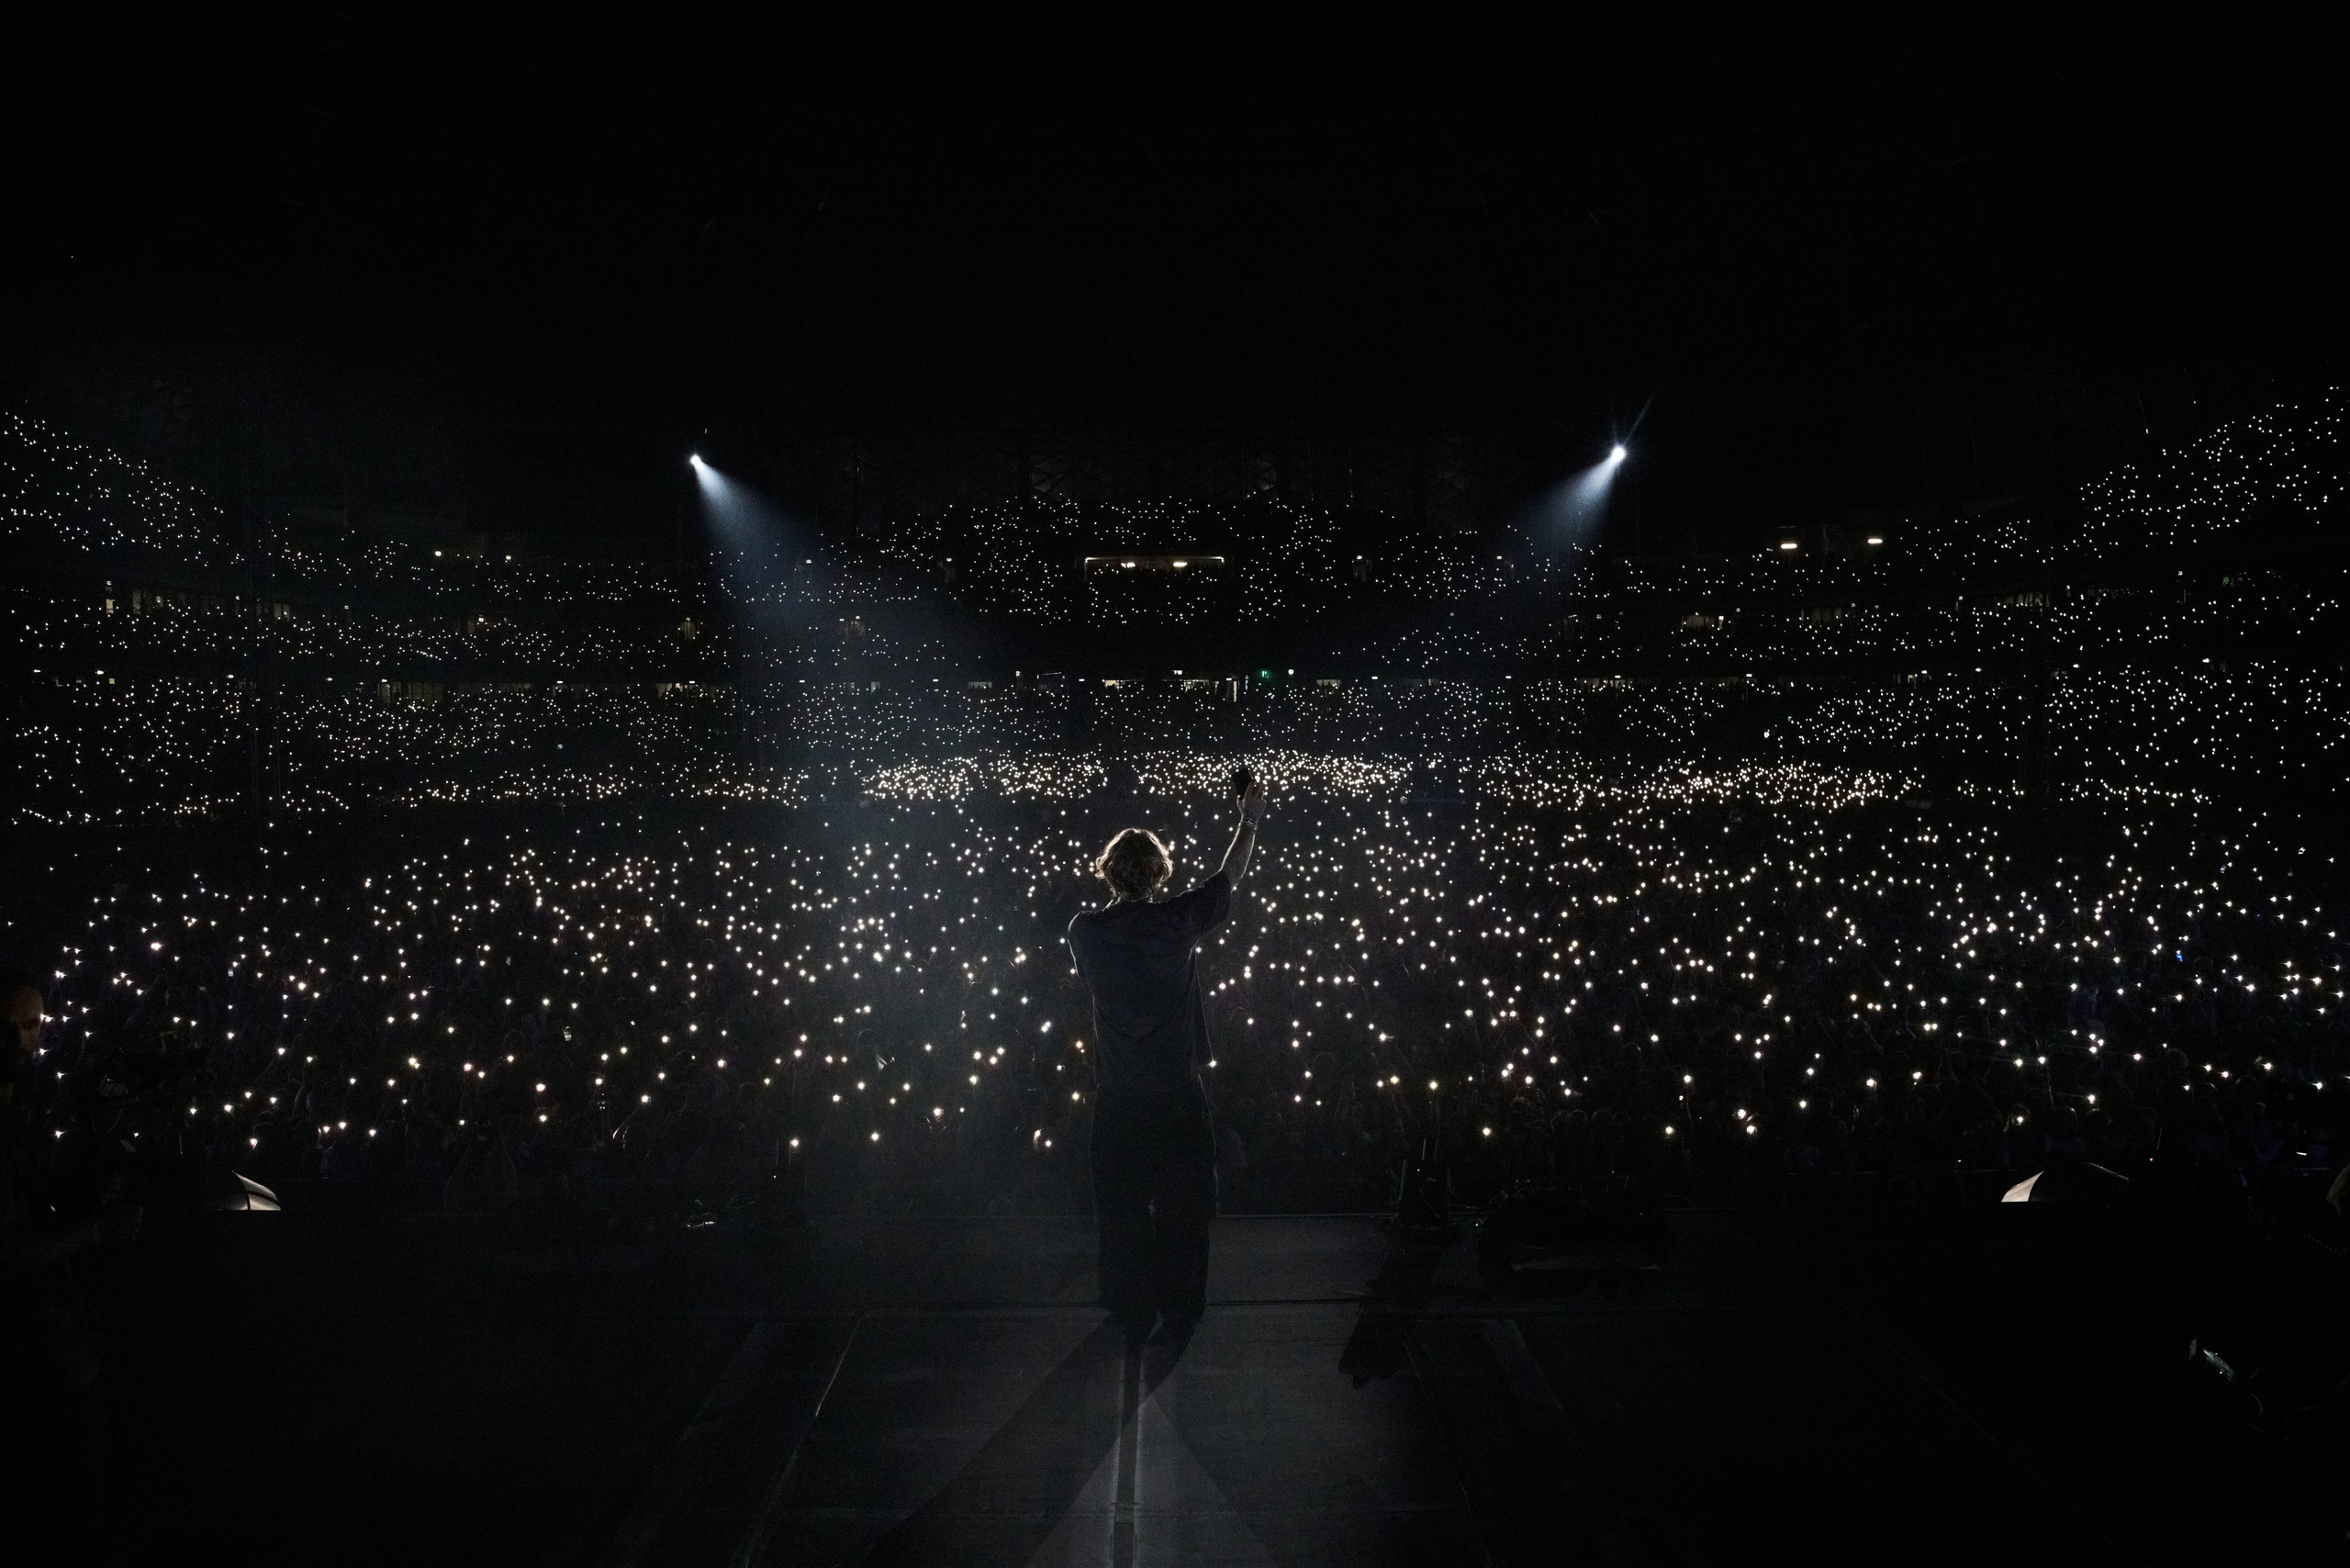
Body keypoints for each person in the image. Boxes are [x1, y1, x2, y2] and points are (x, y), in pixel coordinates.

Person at [1067, 776, 1266, 1349]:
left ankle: (1129, 1305)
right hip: (1176, 1092)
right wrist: (1248, 818)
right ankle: (1180, 1306)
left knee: (1123, 1210)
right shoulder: (1176, 923)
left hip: (1119, 1096)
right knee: (1184, 1209)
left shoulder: (1084, 932)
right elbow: (1230, 876)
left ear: (1107, 871)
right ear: (1160, 874)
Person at [1, 965, 139, 1558]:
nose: (26, 1041)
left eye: (33, 1026)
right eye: (14, 1027)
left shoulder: (14, 1120)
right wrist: (96, 1230)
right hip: (32, 1365)